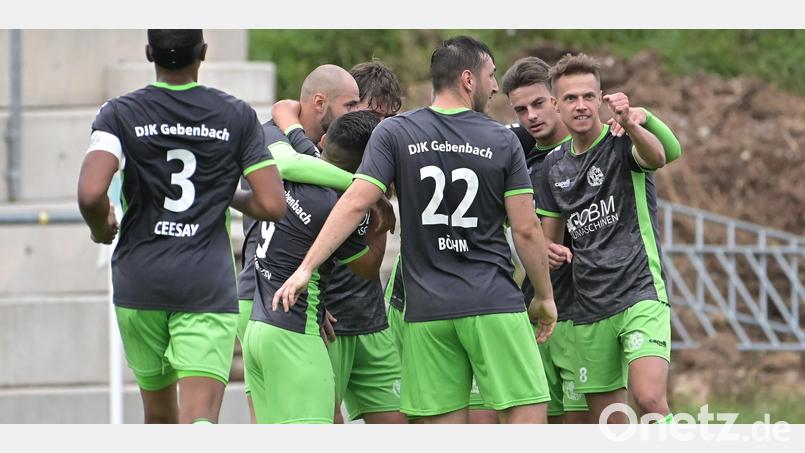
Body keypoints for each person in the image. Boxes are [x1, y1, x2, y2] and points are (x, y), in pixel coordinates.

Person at [273, 35, 557, 424]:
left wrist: (306, 267)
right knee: (526, 416)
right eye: (491, 75)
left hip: (426, 312)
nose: (495, 86)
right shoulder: (501, 139)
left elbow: (354, 202)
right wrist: (544, 295)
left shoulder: (395, 132)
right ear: (468, 79)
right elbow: (525, 230)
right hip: (492, 302)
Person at [76, 29, 286, 424]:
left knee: (158, 417)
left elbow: (90, 194)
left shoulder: (118, 114)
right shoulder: (236, 115)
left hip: (139, 282)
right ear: (202, 53)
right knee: (198, 419)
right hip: (204, 284)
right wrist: (223, 193)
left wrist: (101, 227)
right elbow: (272, 204)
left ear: (149, 53)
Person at [535, 53, 682, 424]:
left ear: (600, 98)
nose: (581, 105)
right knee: (611, 423)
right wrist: (547, 251)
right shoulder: (553, 165)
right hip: (589, 305)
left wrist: (633, 122)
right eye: (570, 98)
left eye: (588, 96)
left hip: (639, 291)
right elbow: (549, 238)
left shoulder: (620, 139)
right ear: (556, 104)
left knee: (649, 399)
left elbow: (659, 156)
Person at [272, 59, 407, 424]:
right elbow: (284, 113)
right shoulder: (316, 159)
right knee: (324, 421)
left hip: (372, 319)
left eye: (389, 119)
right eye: (372, 115)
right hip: (325, 321)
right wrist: (369, 199)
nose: (381, 130)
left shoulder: (387, 159)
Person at [235, 64, 361, 423]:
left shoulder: (312, 150)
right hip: (258, 293)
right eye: (350, 105)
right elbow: (286, 165)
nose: (355, 113)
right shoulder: (271, 132)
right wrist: (365, 187)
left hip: (286, 299)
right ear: (320, 102)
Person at [243, 111, 386, 424]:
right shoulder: (340, 206)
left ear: (322, 141)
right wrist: (380, 225)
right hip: (295, 333)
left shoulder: (288, 170)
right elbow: (366, 267)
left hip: (258, 328)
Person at [501, 56, 591, 424]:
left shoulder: (591, 147)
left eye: (538, 104)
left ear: (556, 99)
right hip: (537, 309)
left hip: (587, 308)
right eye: (521, 110)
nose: (531, 116)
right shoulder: (514, 157)